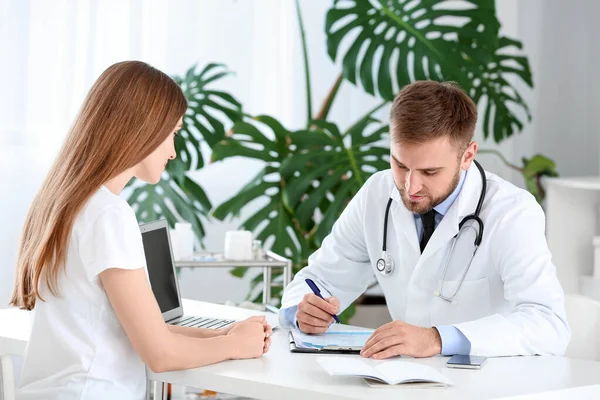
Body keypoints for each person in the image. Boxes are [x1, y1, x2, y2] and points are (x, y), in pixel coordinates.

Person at [10, 61, 271, 400]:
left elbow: (142, 332)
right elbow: (159, 354)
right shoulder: (109, 214)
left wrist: (226, 336)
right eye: (172, 133)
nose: (174, 151)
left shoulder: (64, 202)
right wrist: (234, 346)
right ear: (143, 127)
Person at [279, 80, 570, 359]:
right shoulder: (377, 194)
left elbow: (548, 324)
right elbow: (320, 279)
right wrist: (302, 310)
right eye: (400, 164)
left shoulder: (512, 213)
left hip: (489, 384)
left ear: (467, 156)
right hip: (406, 380)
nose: (410, 186)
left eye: (430, 172)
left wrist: (437, 339)